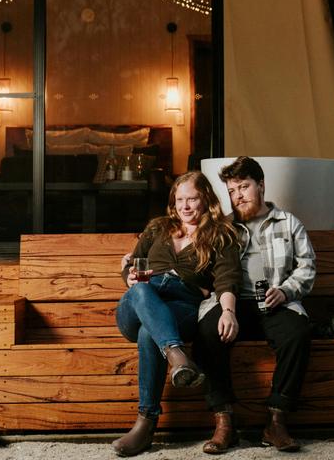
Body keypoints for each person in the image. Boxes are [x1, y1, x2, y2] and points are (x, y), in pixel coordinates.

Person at [112, 171, 241, 457]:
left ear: (206, 199)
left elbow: (227, 280)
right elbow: (132, 263)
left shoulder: (220, 234)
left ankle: (145, 425)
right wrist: (128, 275)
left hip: (182, 306)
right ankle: (176, 354)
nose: (185, 206)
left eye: (192, 199)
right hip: (139, 302)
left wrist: (228, 311)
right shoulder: (158, 227)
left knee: (149, 333)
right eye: (180, 199)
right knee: (142, 289)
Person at [195, 156, 316, 454]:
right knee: (207, 332)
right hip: (231, 303)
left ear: (261, 185)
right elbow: (197, 264)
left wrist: (285, 291)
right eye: (232, 191)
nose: (238, 196)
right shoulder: (222, 227)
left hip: (275, 303)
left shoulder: (289, 223)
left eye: (244, 187)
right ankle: (224, 422)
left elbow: (307, 267)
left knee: (297, 333)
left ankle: (276, 421)